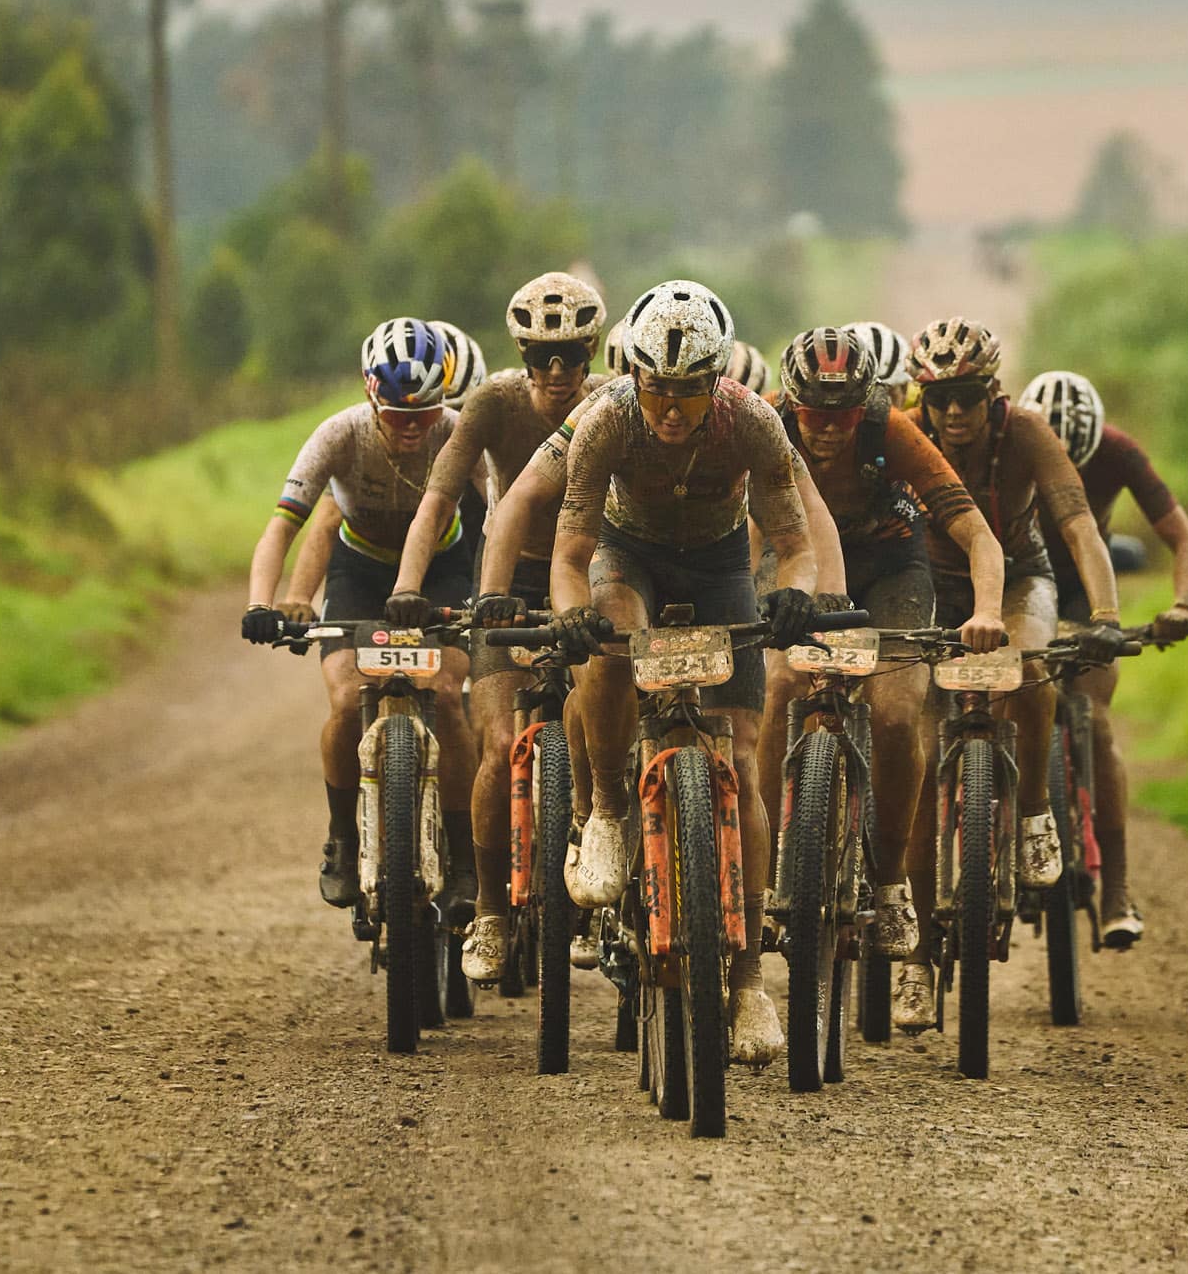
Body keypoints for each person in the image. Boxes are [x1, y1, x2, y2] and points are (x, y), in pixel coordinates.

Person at [527, 279, 832, 1067]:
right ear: (633, 375)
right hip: (626, 554)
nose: (669, 408)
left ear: (716, 383)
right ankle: (607, 810)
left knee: (742, 760)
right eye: (656, 389)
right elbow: (569, 554)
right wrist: (571, 613)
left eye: (689, 392)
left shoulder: (753, 422)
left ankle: (751, 979)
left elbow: (796, 545)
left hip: (721, 563)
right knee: (606, 642)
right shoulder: (606, 421)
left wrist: (796, 596)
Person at [892, 316, 1126, 1032]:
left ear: (993, 393)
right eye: (940, 398)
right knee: (920, 760)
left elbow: (1079, 523)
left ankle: (1032, 816)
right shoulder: (908, 433)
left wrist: (1107, 614)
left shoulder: (1025, 432)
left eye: (967, 397)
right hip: (932, 582)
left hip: (1022, 576)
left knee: (1031, 668)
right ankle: (917, 957)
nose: (954, 412)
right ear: (923, 398)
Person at [756, 326, 1008, 966]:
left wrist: (986, 611)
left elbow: (977, 534)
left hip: (892, 569)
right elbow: (737, 522)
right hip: (798, 563)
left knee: (897, 715)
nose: (829, 429)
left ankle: (891, 883)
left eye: (843, 415)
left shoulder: (890, 430)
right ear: (791, 403)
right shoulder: (766, 426)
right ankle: (760, 879)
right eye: (814, 414)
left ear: (865, 405)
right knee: (779, 686)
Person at [387, 274, 608, 983]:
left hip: (592, 572)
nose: (556, 372)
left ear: (593, 354)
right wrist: (408, 586)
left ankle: (602, 863)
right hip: (505, 581)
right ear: (521, 354)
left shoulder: (611, 400)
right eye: (541, 356)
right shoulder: (493, 403)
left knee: (608, 719)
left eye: (571, 357)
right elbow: (438, 499)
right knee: (496, 743)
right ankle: (489, 909)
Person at [242, 317, 485, 915]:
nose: (413, 428)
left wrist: (498, 590)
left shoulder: (456, 432)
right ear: (371, 397)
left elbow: (500, 508)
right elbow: (283, 526)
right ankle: (342, 840)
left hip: (443, 570)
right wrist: (261, 603)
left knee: (447, 696)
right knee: (348, 702)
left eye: (424, 412)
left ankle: (464, 858)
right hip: (361, 571)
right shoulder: (340, 434)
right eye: (398, 415)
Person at [1019, 370, 1188, 950]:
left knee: (1095, 722)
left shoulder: (1120, 452)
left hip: (1084, 587)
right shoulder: (1008, 441)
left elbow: (1184, 539)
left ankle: (1117, 891)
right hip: (1017, 578)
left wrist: (1183, 604)